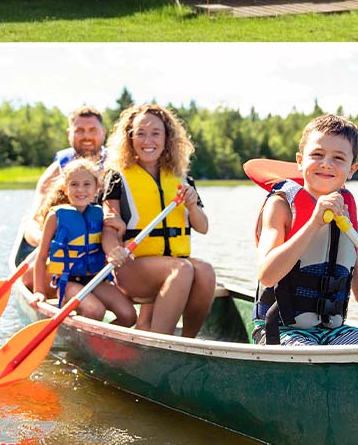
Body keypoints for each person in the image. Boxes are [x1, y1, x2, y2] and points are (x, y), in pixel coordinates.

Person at [253, 114, 358, 346]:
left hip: (332, 333)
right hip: (278, 329)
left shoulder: (346, 215)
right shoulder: (281, 206)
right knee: (311, 357)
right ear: (300, 160)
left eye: (338, 158)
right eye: (317, 155)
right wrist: (313, 223)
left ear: (352, 169)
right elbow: (267, 274)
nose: (326, 163)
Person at [100, 103, 215, 336]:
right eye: (140, 133)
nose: (147, 140)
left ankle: (189, 342)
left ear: (167, 138)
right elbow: (109, 226)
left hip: (171, 264)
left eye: (155, 133)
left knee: (205, 271)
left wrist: (192, 205)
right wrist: (113, 251)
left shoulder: (182, 179)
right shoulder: (117, 178)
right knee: (182, 269)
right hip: (132, 268)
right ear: (129, 138)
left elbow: (202, 227)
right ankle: (161, 341)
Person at [29, 160, 136, 326]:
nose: (80, 190)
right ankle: (83, 345)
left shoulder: (100, 214)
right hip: (68, 282)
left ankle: (103, 344)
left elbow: (115, 246)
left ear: (96, 189)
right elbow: (42, 256)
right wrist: (39, 291)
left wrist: (121, 229)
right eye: (74, 184)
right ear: (65, 189)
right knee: (96, 311)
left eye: (87, 184)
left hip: (96, 279)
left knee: (129, 315)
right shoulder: (55, 216)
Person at [19, 106, 106, 289]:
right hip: (64, 253)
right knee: (27, 277)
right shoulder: (56, 170)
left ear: (103, 133)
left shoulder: (116, 166)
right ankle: (67, 292)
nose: (86, 136)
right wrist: (49, 243)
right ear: (69, 134)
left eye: (92, 130)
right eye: (79, 130)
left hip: (103, 250)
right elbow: (33, 224)